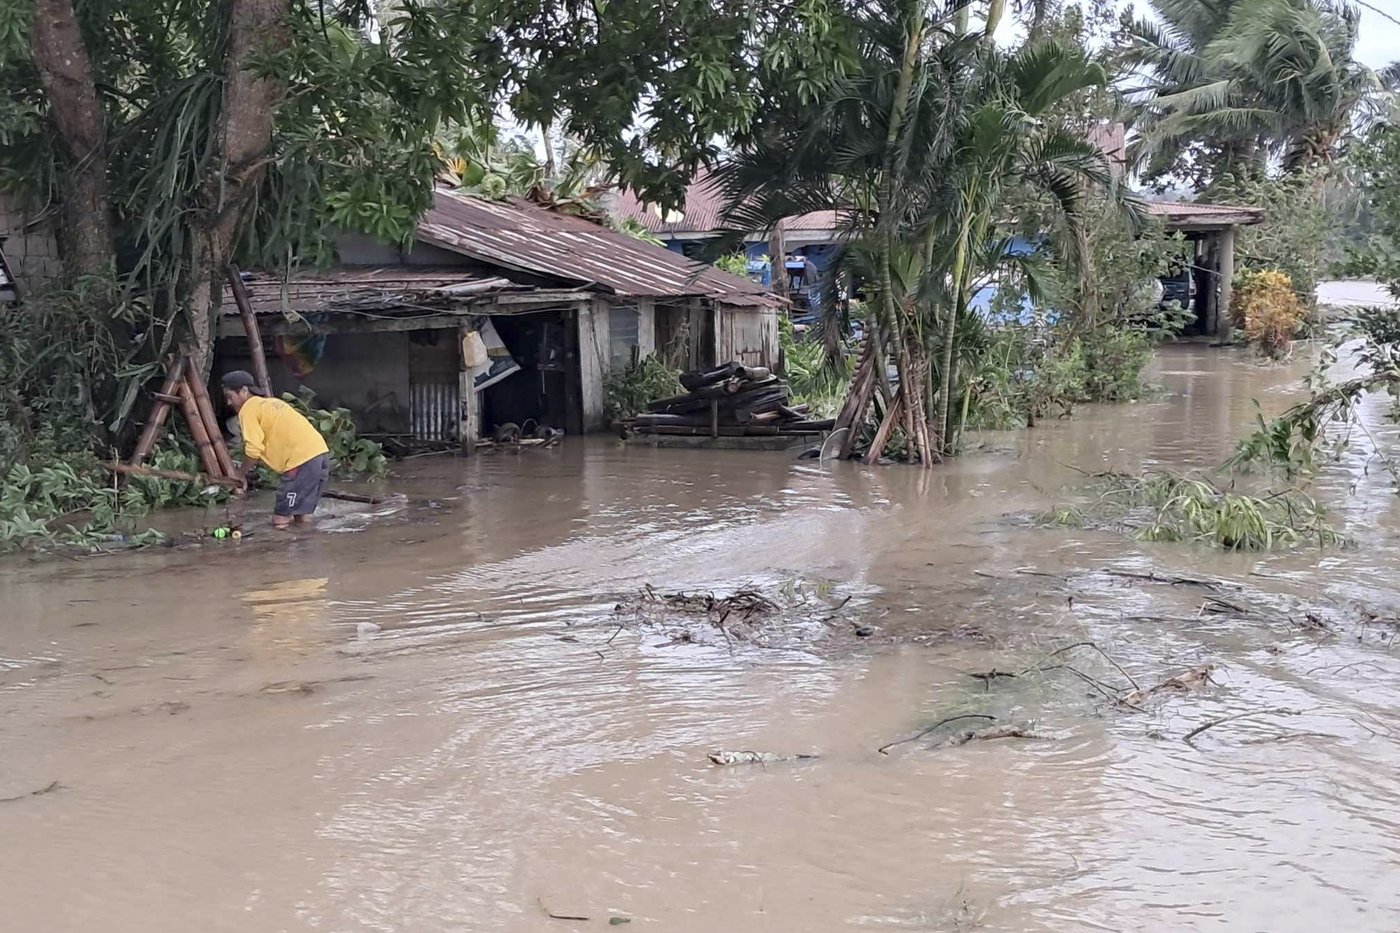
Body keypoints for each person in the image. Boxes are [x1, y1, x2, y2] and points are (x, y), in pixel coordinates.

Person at [220, 371, 331, 529]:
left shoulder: (248, 409)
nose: (229, 403)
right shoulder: (271, 403)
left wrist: (240, 475)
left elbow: (253, 450)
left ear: (244, 391)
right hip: (320, 455)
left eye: (230, 396)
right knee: (301, 515)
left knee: (280, 521)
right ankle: (307, 550)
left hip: (300, 461)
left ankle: (281, 551)